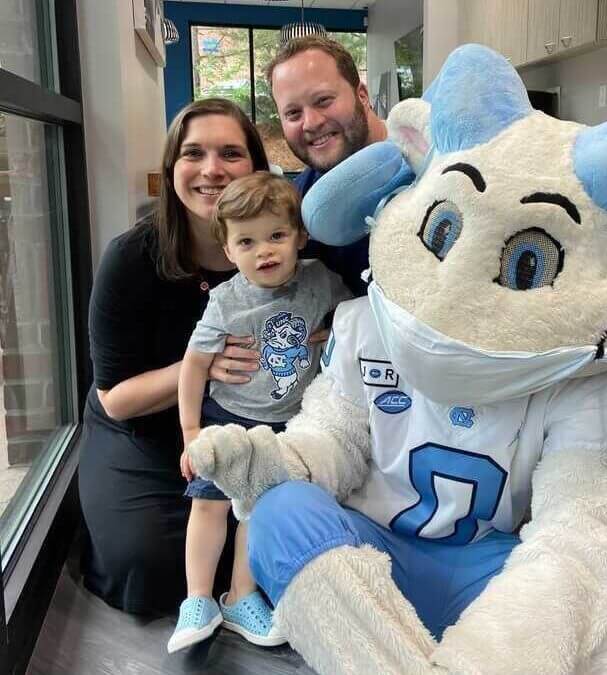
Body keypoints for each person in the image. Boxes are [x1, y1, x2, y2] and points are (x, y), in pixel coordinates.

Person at [78, 98, 276, 616]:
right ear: (172, 170)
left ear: (256, 168)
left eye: (231, 153)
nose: (212, 169)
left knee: (271, 539)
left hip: (240, 425)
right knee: (148, 565)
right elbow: (117, 399)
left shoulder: (280, 250)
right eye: (194, 154)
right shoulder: (130, 259)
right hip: (142, 427)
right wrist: (201, 363)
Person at [167, 172, 350, 652]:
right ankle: (197, 599)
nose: (264, 251)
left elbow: (357, 318)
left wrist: (336, 333)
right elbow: (194, 366)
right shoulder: (225, 301)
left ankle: (240, 596)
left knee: (256, 509)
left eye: (276, 236)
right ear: (228, 251)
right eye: (246, 242)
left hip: (287, 424)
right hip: (226, 418)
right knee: (208, 502)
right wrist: (190, 430)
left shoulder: (320, 281)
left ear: (300, 237)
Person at [267, 37, 388, 296]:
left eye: (323, 100)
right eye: (293, 114)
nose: (310, 123)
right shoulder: (297, 206)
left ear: (362, 95)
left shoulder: (434, 161)